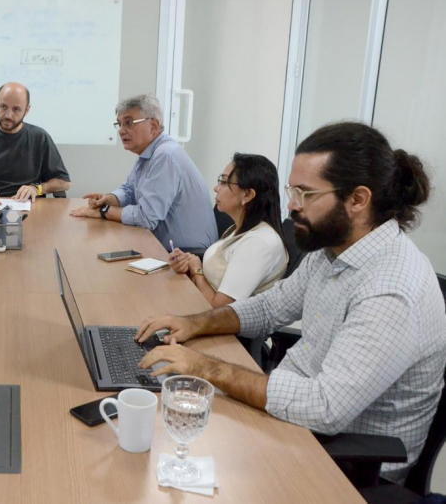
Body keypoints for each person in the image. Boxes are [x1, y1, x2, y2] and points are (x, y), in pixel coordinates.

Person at [135, 122, 445, 483]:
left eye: (306, 194)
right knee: (160, 438)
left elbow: (324, 407)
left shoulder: (392, 288)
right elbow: (270, 307)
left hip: (346, 466)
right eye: (292, 190)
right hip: (296, 423)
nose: (293, 206)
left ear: (358, 200)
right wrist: (195, 323)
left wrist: (203, 367)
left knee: (177, 454)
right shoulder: (331, 251)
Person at [70, 94, 217, 251]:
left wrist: (104, 212)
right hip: (162, 246)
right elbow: (130, 189)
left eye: (129, 123)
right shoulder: (149, 153)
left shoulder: (165, 155)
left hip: (187, 255)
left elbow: (147, 217)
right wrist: (108, 199)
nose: (121, 131)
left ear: (153, 126)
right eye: (119, 124)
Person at [169, 154, 288, 308]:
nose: (216, 188)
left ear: (248, 194)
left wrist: (197, 271)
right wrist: (189, 264)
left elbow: (221, 310)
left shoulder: (258, 243)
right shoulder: (238, 229)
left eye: (224, 182)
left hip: (219, 328)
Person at [0, 82, 71, 211]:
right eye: (3, 107)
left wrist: (37, 188)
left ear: (27, 110)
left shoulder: (39, 137)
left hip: (28, 210)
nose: (8, 115)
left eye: (16, 109)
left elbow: (63, 182)